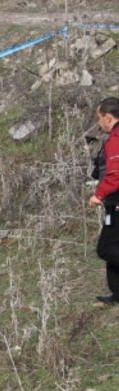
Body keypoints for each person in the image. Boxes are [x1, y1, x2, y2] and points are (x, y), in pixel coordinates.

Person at [89, 97, 119, 305]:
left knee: (106, 248)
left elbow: (116, 174)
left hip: (115, 200)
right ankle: (117, 294)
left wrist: (98, 195)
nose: (99, 123)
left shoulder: (116, 139)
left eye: (100, 118)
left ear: (108, 118)